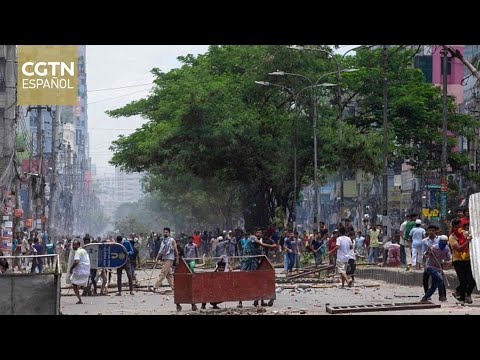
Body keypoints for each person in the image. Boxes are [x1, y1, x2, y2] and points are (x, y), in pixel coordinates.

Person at [449, 219, 476, 305]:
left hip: (468, 260)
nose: (457, 229)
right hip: (458, 261)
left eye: (459, 227)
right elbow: (459, 248)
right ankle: (462, 299)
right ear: (453, 227)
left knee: (472, 280)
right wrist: (467, 241)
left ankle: (466, 293)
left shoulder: (465, 233)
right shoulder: (452, 237)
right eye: (455, 227)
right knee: (463, 280)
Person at [421, 235, 451, 303]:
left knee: (434, 286)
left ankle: (425, 298)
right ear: (440, 241)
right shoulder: (434, 247)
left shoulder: (446, 249)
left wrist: (447, 262)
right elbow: (426, 255)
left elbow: (449, 258)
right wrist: (428, 251)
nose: (444, 243)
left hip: (438, 268)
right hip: (430, 267)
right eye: (442, 242)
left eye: (445, 242)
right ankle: (442, 296)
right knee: (440, 278)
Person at [153, 227, 179, 307]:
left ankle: (155, 287)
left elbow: (175, 250)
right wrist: (156, 258)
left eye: (167, 232)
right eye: (164, 232)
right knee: (169, 275)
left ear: (169, 233)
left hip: (169, 259)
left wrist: (177, 258)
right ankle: (175, 288)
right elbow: (160, 251)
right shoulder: (163, 241)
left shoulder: (172, 240)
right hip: (164, 258)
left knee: (163, 273)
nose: (165, 233)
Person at [69, 239, 91, 304]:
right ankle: (85, 287)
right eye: (73, 244)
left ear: (78, 245)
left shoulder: (78, 252)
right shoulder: (84, 250)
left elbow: (76, 261)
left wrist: (71, 268)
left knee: (74, 283)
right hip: (86, 271)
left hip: (80, 271)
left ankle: (80, 299)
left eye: (74, 245)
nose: (73, 246)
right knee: (78, 283)